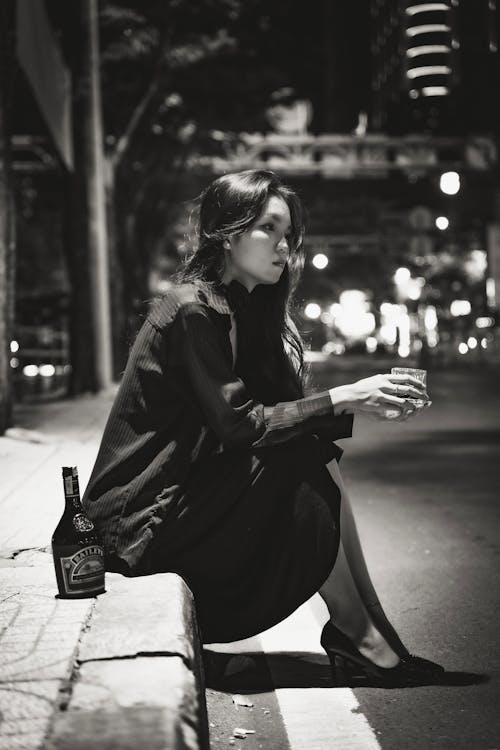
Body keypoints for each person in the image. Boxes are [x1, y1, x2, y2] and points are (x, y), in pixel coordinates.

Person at [82, 168, 443, 684]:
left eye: (289, 234)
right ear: (227, 234)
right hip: (137, 525)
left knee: (313, 445)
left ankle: (370, 629)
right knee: (301, 455)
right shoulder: (191, 310)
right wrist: (345, 396)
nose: (284, 246)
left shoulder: (240, 309)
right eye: (269, 230)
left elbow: (277, 416)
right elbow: (241, 428)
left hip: (181, 497)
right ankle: (358, 635)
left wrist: (351, 402)